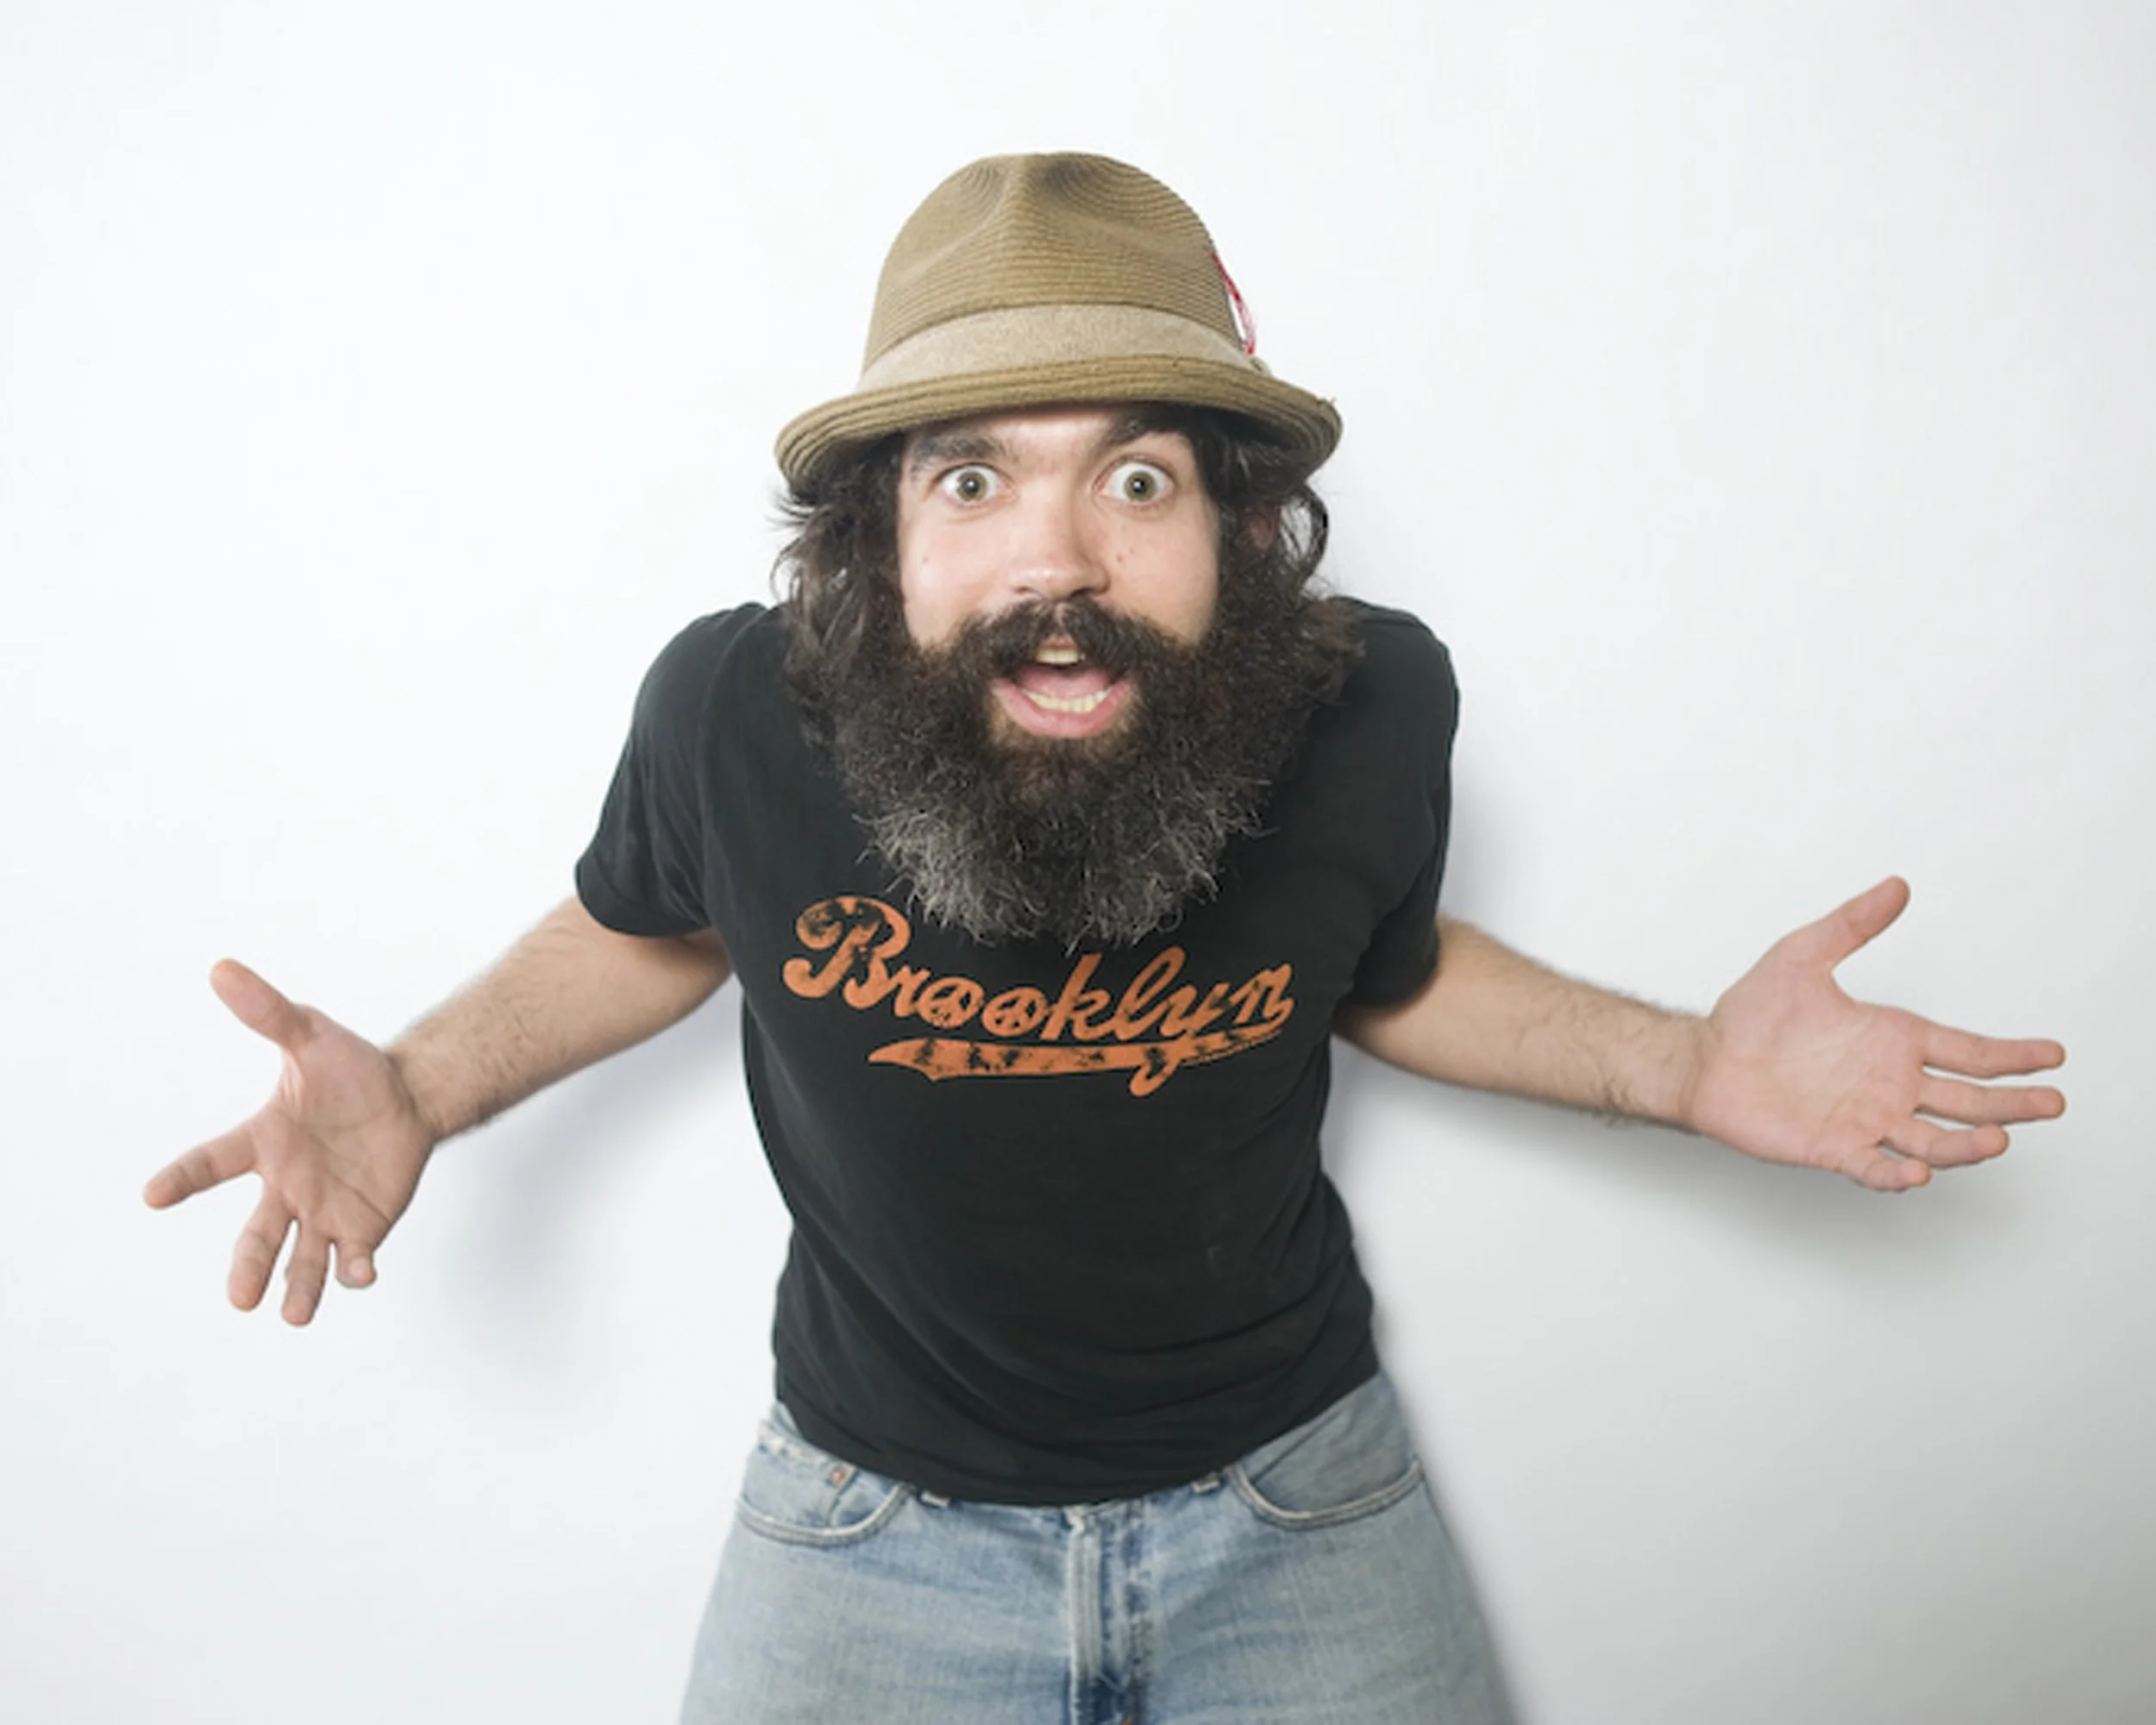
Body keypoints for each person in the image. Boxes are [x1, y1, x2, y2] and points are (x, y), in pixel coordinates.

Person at [145, 154, 2067, 1724]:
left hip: (1298, 1506)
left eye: (1135, 479)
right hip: (860, 1528)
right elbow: (651, 924)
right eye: (972, 479)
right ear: (878, 537)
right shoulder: (734, 715)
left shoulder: (1369, 708)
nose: (1055, 562)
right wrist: (420, 1085)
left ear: (1240, 528)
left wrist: (1691, 1065)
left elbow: (1382, 970)